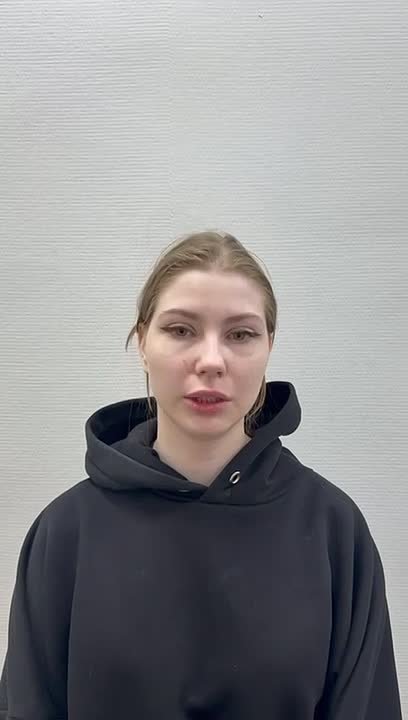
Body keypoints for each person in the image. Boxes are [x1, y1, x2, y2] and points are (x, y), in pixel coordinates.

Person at [0, 230, 402, 719]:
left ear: (269, 346)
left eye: (240, 334)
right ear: (142, 341)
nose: (211, 361)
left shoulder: (332, 530)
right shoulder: (66, 532)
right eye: (181, 329)